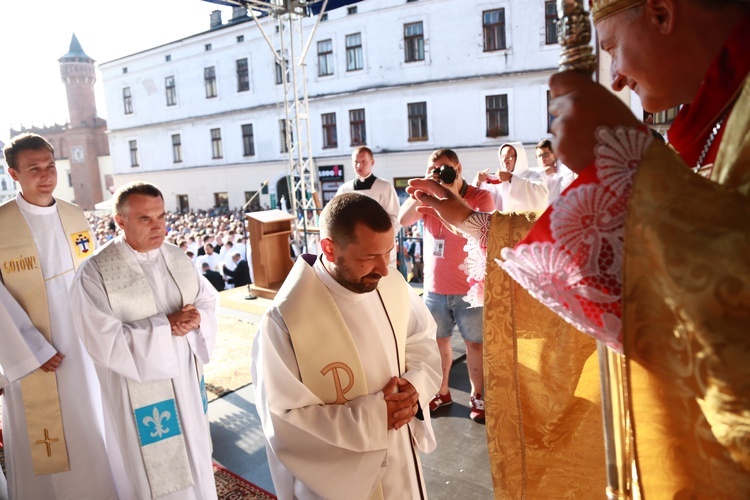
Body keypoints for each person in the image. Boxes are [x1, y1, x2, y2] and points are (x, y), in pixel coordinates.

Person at [407, 0, 750, 496]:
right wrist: (473, 221)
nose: (616, 79)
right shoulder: (723, 115)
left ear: (660, 13)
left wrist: (626, 157)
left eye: (611, 48)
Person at [251, 192, 441, 499]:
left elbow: (421, 340)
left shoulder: (391, 282)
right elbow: (282, 419)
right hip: (344, 479)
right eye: (368, 257)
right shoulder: (286, 320)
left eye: (388, 253)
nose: (383, 268)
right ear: (329, 248)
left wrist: (414, 388)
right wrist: (373, 418)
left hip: (402, 456)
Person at [71, 181, 219, 499]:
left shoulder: (177, 256)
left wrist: (198, 318)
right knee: (153, 476)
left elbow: (207, 299)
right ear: (120, 221)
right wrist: (165, 326)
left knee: (197, 461)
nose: (158, 226)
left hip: (186, 379)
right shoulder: (95, 273)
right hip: (139, 390)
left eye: (162, 216)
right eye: (145, 219)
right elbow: (102, 340)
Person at [0, 133, 117, 499]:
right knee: (47, 438)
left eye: (50, 166)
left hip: (85, 341)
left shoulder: (73, 214)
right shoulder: (1, 223)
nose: (45, 175)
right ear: (14, 173)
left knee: (91, 420)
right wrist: (32, 350)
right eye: (33, 168)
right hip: (35, 352)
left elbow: (91, 277)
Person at [399, 148, 495, 423]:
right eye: (435, 169)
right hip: (435, 288)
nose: (441, 174)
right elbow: (404, 220)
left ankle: (478, 396)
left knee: (475, 345)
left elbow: (480, 229)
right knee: (438, 344)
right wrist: (425, 186)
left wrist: (449, 194)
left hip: (470, 288)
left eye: (445, 169)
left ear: (459, 167)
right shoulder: (429, 198)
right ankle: (442, 392)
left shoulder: (479, 196)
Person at [336, 145, 401, 232]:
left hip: (378, 239)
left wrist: (384, 237)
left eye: (363, 161)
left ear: (372, 162)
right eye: (356, 162)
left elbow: (395, 217)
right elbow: (337, 217)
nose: (359, 166)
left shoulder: (384, 187)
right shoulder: (344, 189)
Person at [471, 142, 548, 212]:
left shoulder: (534, 176)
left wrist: (512, 179)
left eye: (508, 157)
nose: (504, 161)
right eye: (502, 157)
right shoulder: (499, 180)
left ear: (519, 158)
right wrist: (479, 181)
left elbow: (540, 195)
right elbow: (487, 197)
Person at [535, 138, 576, 205]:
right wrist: (544, 173)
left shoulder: (561, 172)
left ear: (554, 155)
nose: (542, 158)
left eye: (545, 154)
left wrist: (558, 163)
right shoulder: (534, 173)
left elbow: (568, 178)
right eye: (539, 156)